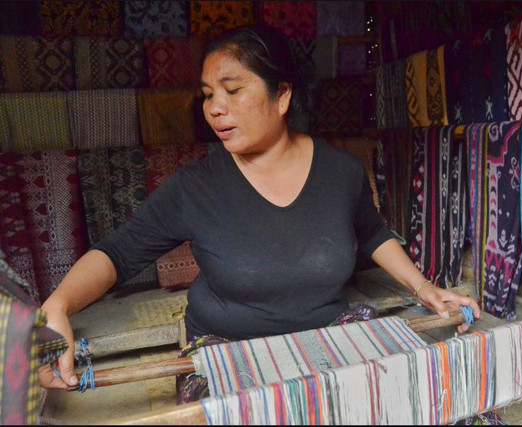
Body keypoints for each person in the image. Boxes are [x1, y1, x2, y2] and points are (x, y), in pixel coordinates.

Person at [38, 24, 480, 397]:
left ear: (282, 95)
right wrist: (57, 307)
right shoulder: (196, 187)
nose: (214, 108)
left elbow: (373, 233)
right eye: (209, 94)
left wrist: (424, 288)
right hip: (226, 354)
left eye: (232, 90)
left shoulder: (341, 171)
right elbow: (117, 254)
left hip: (325, 342)